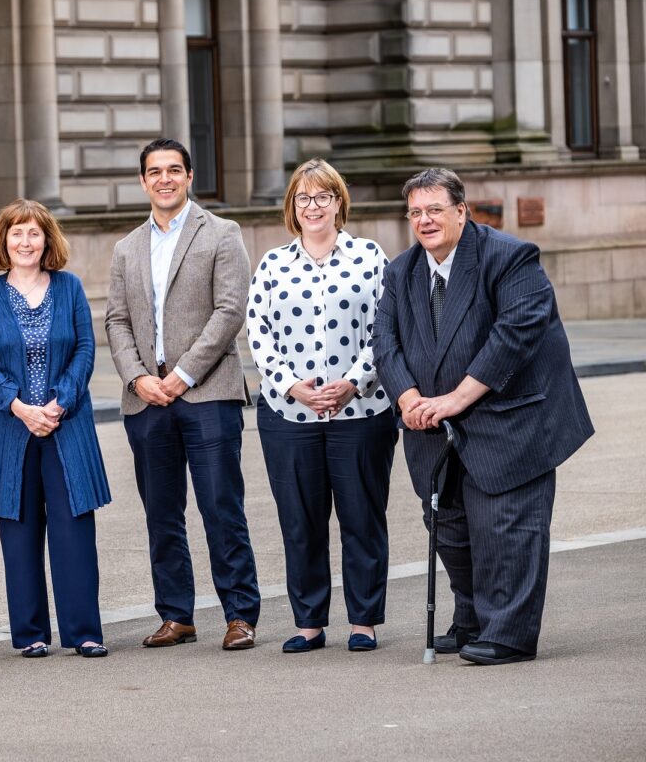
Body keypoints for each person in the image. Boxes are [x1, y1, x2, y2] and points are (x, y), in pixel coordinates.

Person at [373, 167, 594, 665]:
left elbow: (514, 336)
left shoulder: (510, 258)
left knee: (505, 530)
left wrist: (454, 399)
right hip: (430, 425)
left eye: (434, 209)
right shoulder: (401, 271)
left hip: (511, 420)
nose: (424, 220)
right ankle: (471, 618)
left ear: (460, 211)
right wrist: (407, 398)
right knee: (450, 527)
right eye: (415, 212)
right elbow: (384, 341)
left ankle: (509, 633)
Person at [105, 138, 262, 652]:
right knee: (162, 512)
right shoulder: (127, 247)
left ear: (190, 176)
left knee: (221, 506)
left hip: (207, 393)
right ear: (144, 181)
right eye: (155, 172)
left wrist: (184, 375)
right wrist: (138, 378)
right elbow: (117, 320)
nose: (165, 179)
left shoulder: (221, 233)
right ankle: (176, 614)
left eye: (174, 170)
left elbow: (230, 311)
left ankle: (240, 614)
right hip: (146, 401)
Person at [247, 159, 398, 653]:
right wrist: (293, 386)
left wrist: (354, 381)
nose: (313, 207)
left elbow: (386, 328)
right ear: (293, 206)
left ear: (339, 203)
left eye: (323, 197)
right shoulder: (272, 264)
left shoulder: (370, 256)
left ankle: (363, 621)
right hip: (289, 415)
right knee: (301, 520)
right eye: (303, 198)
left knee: (361, 517)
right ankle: (309, 622)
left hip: (362, 412)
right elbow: (258, 333)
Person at [0, 199, 112, 659]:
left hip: (66, 426)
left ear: (47, 240)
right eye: (16, 233)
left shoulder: (69, 288)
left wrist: (58, 403)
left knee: (74, 530)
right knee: (20, 530)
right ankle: (30, 634)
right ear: (2, 241)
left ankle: (84, 631)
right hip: (10, 429)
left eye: (34, 233)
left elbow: (85, 351)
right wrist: (19, 406)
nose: (25, 242)